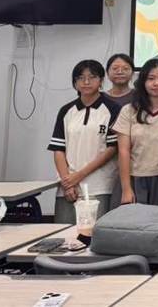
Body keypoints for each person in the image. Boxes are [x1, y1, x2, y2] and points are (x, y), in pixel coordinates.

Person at [48, 60, 120, 223]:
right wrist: (67, 182)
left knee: (94, 233)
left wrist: (79, 176)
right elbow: (58, 149)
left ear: (101, 81)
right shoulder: (66, 111)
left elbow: (111, 149)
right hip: (68, 186)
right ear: (75, 83)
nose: (86, 82)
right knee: (64, 232)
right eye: (81, 78)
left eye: (92, 77)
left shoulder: (112, 109)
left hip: (99, 185)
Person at [113, 58, 158, 206]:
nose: (156, 83)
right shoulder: (129, 110)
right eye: (151, 78)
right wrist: (126, 188)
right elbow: (123, 151)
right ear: (143, 82)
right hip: (133, 178)